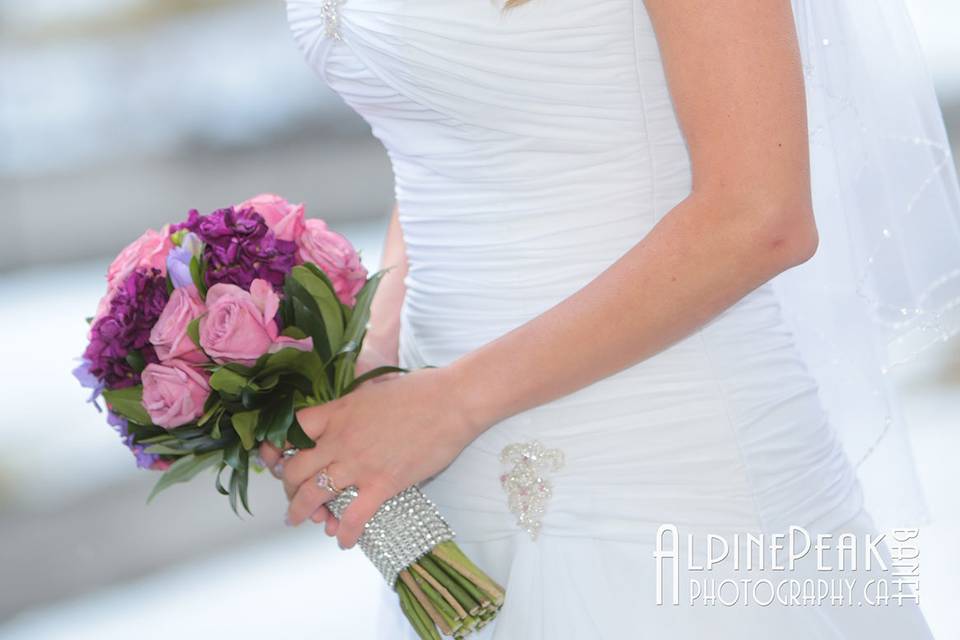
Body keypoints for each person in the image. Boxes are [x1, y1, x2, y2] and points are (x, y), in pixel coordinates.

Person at [260, 0, 954, 636]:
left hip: (661, 462)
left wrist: (454, 404)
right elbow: (448, 133)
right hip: (444, 469)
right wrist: (376, 343)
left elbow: (761, 218)